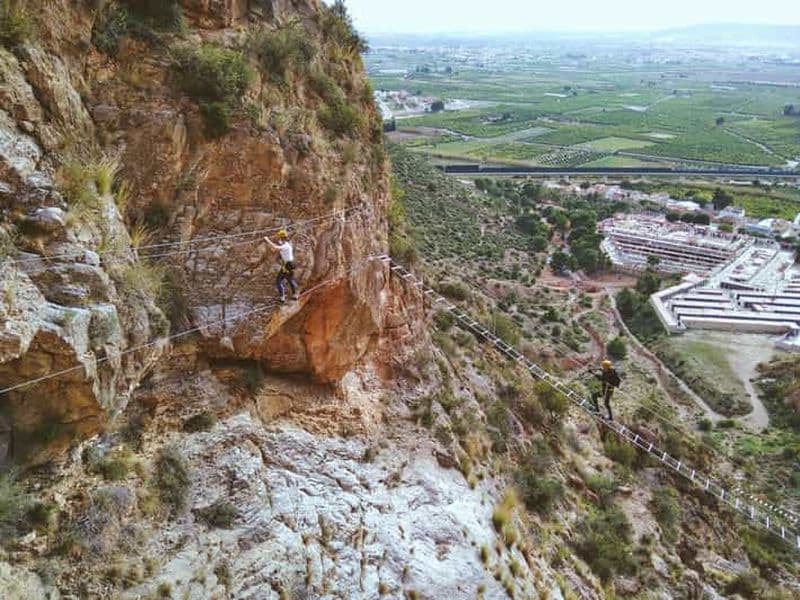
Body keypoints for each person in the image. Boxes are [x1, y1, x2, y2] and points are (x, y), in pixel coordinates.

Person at [264, 229, 299, 303]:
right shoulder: (288, 243)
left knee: (279, 281)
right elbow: (279, 243)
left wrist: (267, 240)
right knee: (290, 280)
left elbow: (276, 247)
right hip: (290, 264)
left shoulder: (285, 246)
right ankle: (295, 294)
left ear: (281, 238)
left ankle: (283, 297)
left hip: (288, 265)